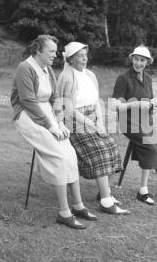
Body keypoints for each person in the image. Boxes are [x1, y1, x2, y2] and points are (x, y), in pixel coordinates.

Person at [10, 35, 97, 229]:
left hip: (48, 115)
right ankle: (64, 213)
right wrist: (50, 127)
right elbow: (28, 102)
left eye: (56, 51)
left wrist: (59, 122)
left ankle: (78, 205)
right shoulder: (25, 68)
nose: (55, 55)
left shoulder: (48, 69)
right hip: (27, 116)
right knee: (59, 157)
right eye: (51, 51)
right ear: (38, 51)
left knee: (70, 154)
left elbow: (55, 98)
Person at [56, 41, 130, 215]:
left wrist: (101, 123)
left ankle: (105, 194)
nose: (84, 59)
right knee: (100, 151)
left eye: (85, 55)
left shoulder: (90, 75)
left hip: (93, 119)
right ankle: (106, 202)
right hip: (75, 122)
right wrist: (93, 125)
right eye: (80, 56)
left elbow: (96, 101)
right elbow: (68, 109)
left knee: (112, 148)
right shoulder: (66, 77)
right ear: (71, 59)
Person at [112, 45, 157, 206]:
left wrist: (153, 104)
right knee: (151, 147)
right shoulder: (123, 78)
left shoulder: (148, 78)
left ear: (147, 62)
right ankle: (144, 191)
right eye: (136, 59)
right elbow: (115, 105)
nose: (138, 63)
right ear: (132, 59)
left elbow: (149, 100)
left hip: (144, 120)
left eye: (142, 60)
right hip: (127, 122)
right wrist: (134, 105)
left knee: (155, 147)